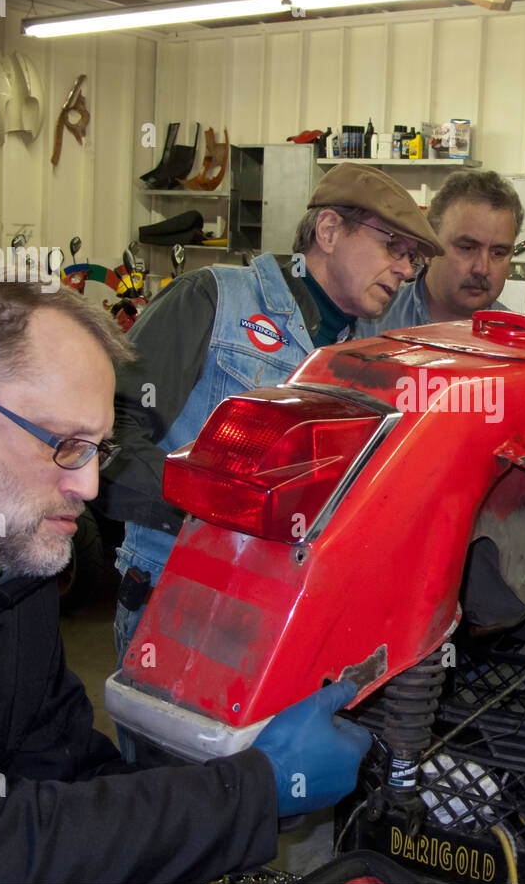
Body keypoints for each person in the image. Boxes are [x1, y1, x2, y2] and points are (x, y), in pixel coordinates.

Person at [0, 279, 372, 884]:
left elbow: (67, 776)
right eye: (64, 444)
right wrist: (250, 793)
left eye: (98, 448)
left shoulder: (9, 566)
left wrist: (242, 780)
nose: (91, 487)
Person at [99, 163, 443, 682]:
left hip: (286, 614)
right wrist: (216, 511)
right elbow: (108, 435)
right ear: (328, 231)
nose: (404, 270)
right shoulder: (213, 299)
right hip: (180, 599)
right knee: (175, 763)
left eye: (412, 259)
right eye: (394, 248)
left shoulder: (361, 353)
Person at [353, 169, 522, 336]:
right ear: (430, 248)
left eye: (498, 253)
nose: (482, 268)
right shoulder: (366, 321)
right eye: (467, 248)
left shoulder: (523, 341)